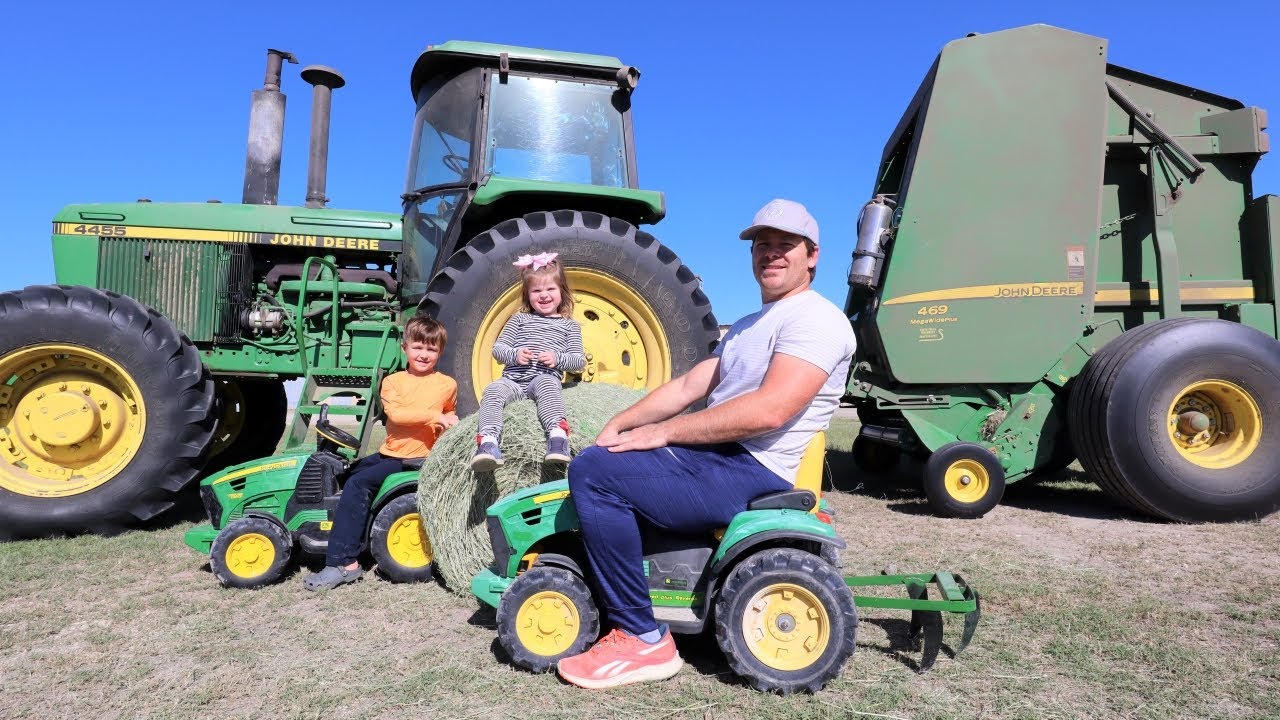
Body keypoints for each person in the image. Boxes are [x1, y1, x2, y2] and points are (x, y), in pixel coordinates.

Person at [556, 199, 857, 689]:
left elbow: (768, 411)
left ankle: (640, 638)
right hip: (724, 459)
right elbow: (687, 387)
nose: (771, 254)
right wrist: (620, 424)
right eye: (763, 245)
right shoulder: (747, 326)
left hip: (752, 467)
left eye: (786, 245)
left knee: (594, 476)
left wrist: (664, 432)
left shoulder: (815, 321)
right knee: (602, 457)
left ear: (813, 255)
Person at [303, 315, 459, 591]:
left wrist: (449, 422)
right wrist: (435, 415)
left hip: (417, 458)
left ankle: (343, 562)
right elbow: (397, 415)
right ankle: (351, 535)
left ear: (440, 352)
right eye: (418, 347)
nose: (424, 355)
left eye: (432, 349)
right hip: (391, 452)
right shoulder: (393, 382)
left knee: (358, 484)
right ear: (405, 348)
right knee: (348, 472)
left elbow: (449, 415)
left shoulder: (447, 384)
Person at [471, 251, 585, 471]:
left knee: (548, 384)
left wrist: (557, 359)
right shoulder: (519, 319)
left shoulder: (569, 326)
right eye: (536, 290)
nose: (544, 295)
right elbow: (498, 349)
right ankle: (487, 443)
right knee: (493, 390)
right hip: (513, 381)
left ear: (562, 291)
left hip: (541, 379)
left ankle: (558, 438)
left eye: (550, 289)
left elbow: (578, 361)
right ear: (527, 294)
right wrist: (515, 355)